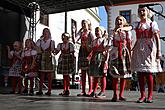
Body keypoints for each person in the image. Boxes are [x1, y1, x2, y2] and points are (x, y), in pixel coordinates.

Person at [131, 6, 162, 103]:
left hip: (149, 49)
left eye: (143, 10)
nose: (141, 12)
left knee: (148, 73)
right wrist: (121, 28)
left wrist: (158, 51)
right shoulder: (137, 24)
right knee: (140, 73)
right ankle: (142, 95)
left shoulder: (152, 24)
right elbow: (130, 27)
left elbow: (157, 37)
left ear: (147, 12)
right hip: (139, 50)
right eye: (139, 11)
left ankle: (150, 95)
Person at [109, 16, 132, 102]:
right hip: (115, 52)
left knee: (123, 75)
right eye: (117, 20)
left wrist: (130, 54)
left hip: (124, 53)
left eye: (120, 20)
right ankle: (115, 94)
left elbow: (129, 43)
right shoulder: (113, 32)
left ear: (123, 22)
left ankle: (121, 94)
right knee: (115, 74)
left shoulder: (127, 31)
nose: (118, 21)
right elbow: (110, 42)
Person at [88, 27, 109, 98]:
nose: (97, 32)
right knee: (95, 75)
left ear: (102, 32)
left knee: (102, 75)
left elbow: (107, 50)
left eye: (98, 31)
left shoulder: (104, 40)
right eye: (95, 31)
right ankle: (94, 91)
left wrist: (106, 60)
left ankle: (103, 91)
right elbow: (91, 48)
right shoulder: (94, 41)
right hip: (95, 58)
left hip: (102, 58)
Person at [76, 19, 94, 96]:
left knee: (89, 72)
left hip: (88, 52)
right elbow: (75, 39)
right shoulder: (81, 33)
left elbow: (93, 44)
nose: (83, 25)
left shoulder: (90, 33)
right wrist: (75, 32)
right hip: (82, 52)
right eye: (82, 23)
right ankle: (83, 90)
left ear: (88, 24)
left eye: (84, 23)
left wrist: (90, 53)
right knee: (82, 72)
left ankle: (90, 90)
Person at [36, 28, 55, 96]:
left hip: (48, 58)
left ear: (49, 33)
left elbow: (53, 50)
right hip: (42, 57)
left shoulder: (51, 41)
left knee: (49, 75)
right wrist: (39, 51)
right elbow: (36, 47)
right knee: (42, 74)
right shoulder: (40, 41)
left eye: (46, 32)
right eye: (44, 32)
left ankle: (49, 90)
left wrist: (53, 51)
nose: (45, 33)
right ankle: (40, 90)